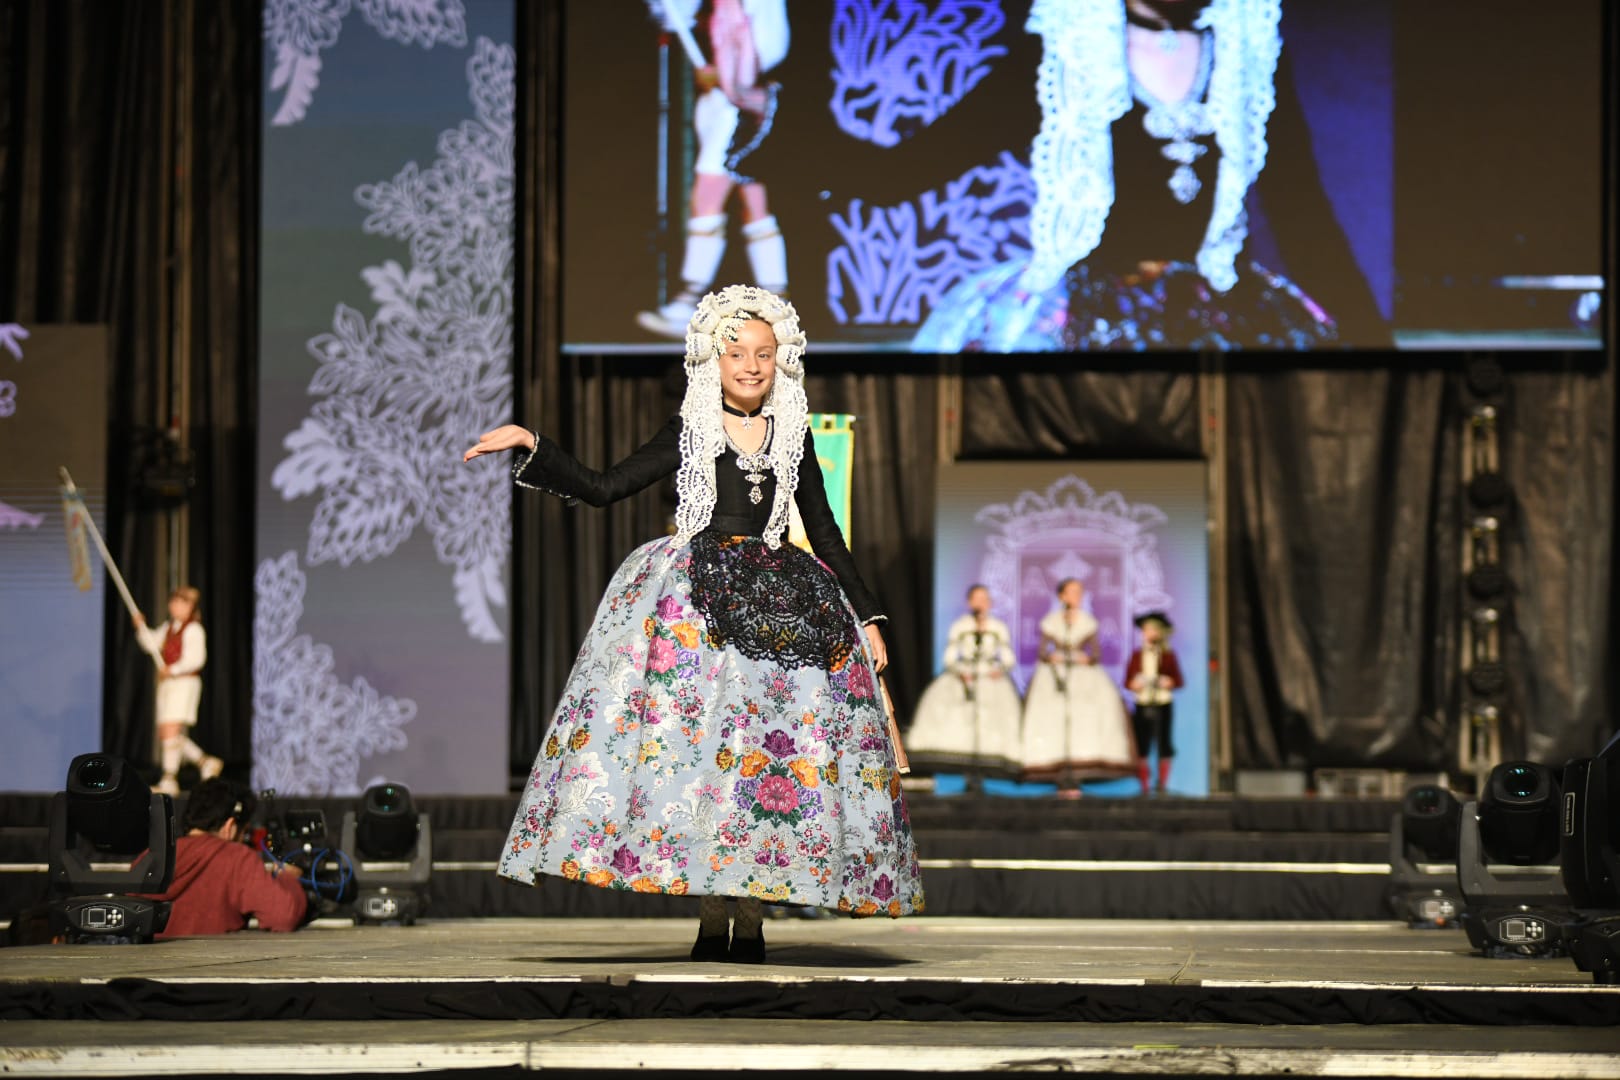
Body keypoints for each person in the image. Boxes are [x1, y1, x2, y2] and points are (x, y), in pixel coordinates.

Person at [466, 284, 922, 963]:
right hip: (694, 609)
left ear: (781, 361)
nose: (750, 365)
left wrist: (869, 618)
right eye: (737, 352)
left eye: (764, 354)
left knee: (770, 763)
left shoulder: (792, 437)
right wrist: (534, 442)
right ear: (713, 358)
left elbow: (825, 534)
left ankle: (754, 916)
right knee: (707, 764)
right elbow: (603, 485)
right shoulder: (690, 432)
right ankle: (715, 915)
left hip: (782, 610)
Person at [912, 0, 1387, 351]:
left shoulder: (1246, 54)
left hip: (1212, 312)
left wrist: (1374, 342)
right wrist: (844, 181)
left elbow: (1302, 211)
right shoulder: (1068, 53)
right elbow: (937, 153)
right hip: (1084, 317)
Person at [638, 0, 793, 337]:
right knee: (754, 206)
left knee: (708, 200)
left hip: (740, 110)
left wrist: (728, 82)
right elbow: (671, 14)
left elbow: (760, 54)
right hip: (725, 106)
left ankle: (690, 301)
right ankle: (777, 304)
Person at [139, 779, 308, 939]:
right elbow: (283, 916)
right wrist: (287, 878)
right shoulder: (236, 858)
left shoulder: (148, 857)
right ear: (231, 827)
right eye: (245, 832)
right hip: (211, 966)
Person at [1019, 577, 1136, 793]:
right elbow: (1043, 651)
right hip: (1056, 675)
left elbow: (1096, 653)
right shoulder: (1052, 621)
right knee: (1054, 718)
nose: (1076, 596)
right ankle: (1059, 773)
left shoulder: (1087, 621)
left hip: (1082, 675)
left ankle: (1077, 773)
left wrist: (1086, 658)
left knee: (1084, 718)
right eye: (1072, 592)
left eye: (1079, 592)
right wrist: (1052, 657)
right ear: (1062, 596)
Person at [906, 584, 1023, 781]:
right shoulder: (961, 626)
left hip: (990, 675)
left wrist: (999, 669)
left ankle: (989, 771)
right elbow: (950, 657)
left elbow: (1008, 658)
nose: (981, 603)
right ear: (970, 602)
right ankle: (962, 771)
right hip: (965, 674)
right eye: (977, 599)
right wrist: (961, 672)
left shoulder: (998, 627)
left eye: (985, 599)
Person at [133, 586, 220, 796]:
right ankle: (204, 761)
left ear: (190, 606)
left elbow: (196, 659)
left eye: (180, 602)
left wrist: (172, 669)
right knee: (168, 732)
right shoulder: (169, 627)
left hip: (183, 683)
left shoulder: (194, 630)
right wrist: (141, 627)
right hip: (169, 685)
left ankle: (169, 778)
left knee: (170, 729)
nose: (175, 606)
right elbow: (151, 644)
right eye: (174, 601)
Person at [1125, 611, 1184, 795]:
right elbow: (1127, 681)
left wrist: (1168, 681)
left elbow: (1179, 680)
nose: (1148, 633)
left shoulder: (1167, 655)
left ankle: (1162, 785)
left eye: (1152, 630)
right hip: (1143, 703)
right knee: (1142, 744)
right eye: (1145, 630)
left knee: (1164, 743)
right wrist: (1134, 684)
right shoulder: (1137, 655)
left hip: (1162, 702)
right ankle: (1144, 787)